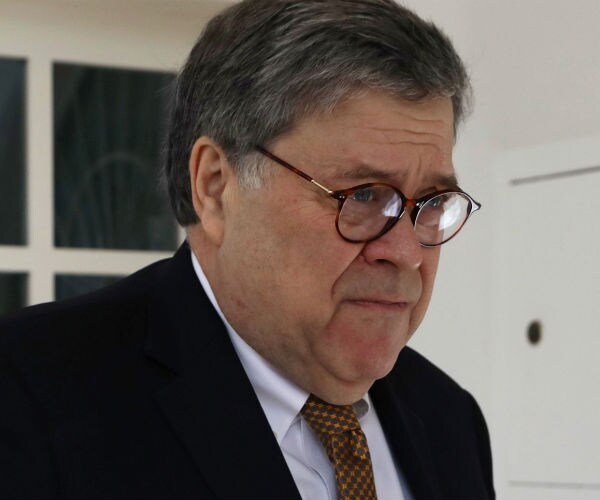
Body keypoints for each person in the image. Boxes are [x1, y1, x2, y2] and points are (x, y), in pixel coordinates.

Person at [0, 0, 494, 498]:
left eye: (432, 201)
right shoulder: (26, 396)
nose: (407, 253)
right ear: (215, 187)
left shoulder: (450, 421)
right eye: (363, 196)